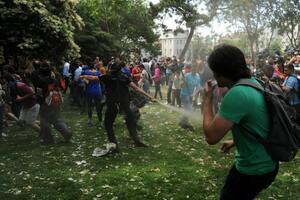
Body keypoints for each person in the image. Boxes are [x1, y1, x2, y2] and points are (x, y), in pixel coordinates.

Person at [202, 44, 278, 199]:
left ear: (224, 72)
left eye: (215, 71)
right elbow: (259, 121)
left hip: (253, 169)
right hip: (268, 163)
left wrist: (207, 100)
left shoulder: (237, 94)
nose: (214, 76)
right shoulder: (253, 83)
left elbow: (211, 137)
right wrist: (235, 141)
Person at [81, 61, 155, 152]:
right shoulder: (124, 77)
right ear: (120, 69)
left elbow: (93, 77)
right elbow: (136, 88)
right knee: (130, 120)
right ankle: (136, 140)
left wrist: (83, 76)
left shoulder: (107, 76)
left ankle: (114, 145)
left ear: (111, 68)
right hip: (124, 103)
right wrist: (148, 95)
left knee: (108, 124)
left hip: (113, 104)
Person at [36, 61, 72, 145]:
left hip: (45, 104)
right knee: (57, 120)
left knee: (45, 122)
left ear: (41, 74)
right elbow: (61, 88)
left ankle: (48, 140)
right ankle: (66, 133)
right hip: (56, 103)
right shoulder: (55, 80)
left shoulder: (41, 82)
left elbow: (40, 94)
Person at [179, 64, 201, 130]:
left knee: (187, 109)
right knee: (189, 109)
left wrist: (194, 95)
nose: (194, 70)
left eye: (196, 69)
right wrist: (183, 82)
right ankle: (185, 123)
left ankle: (182, 122)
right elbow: (181, 85)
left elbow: (198, 87)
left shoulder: (197, 76)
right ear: (191, 69)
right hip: (184, 94)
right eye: (193, 69)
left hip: (190, 95)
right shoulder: (187, 76)